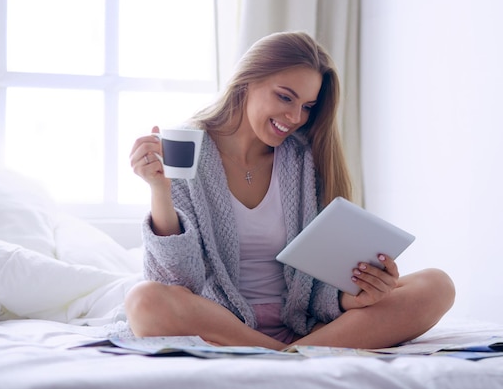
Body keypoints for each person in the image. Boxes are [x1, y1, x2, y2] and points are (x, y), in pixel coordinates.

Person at [126, 31, 455, 350]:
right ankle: (290, 356)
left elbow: (320, 281)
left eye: (308, 106)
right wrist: (160, 190)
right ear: (247, 81)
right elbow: (179, 281)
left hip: (305, 326)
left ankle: (293, 353)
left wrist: (354, 295)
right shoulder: (186, 148)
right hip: (219, 323)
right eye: (285, 97)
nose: (295, 117)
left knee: (437, 286)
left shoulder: (304, 160)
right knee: (144, 301)